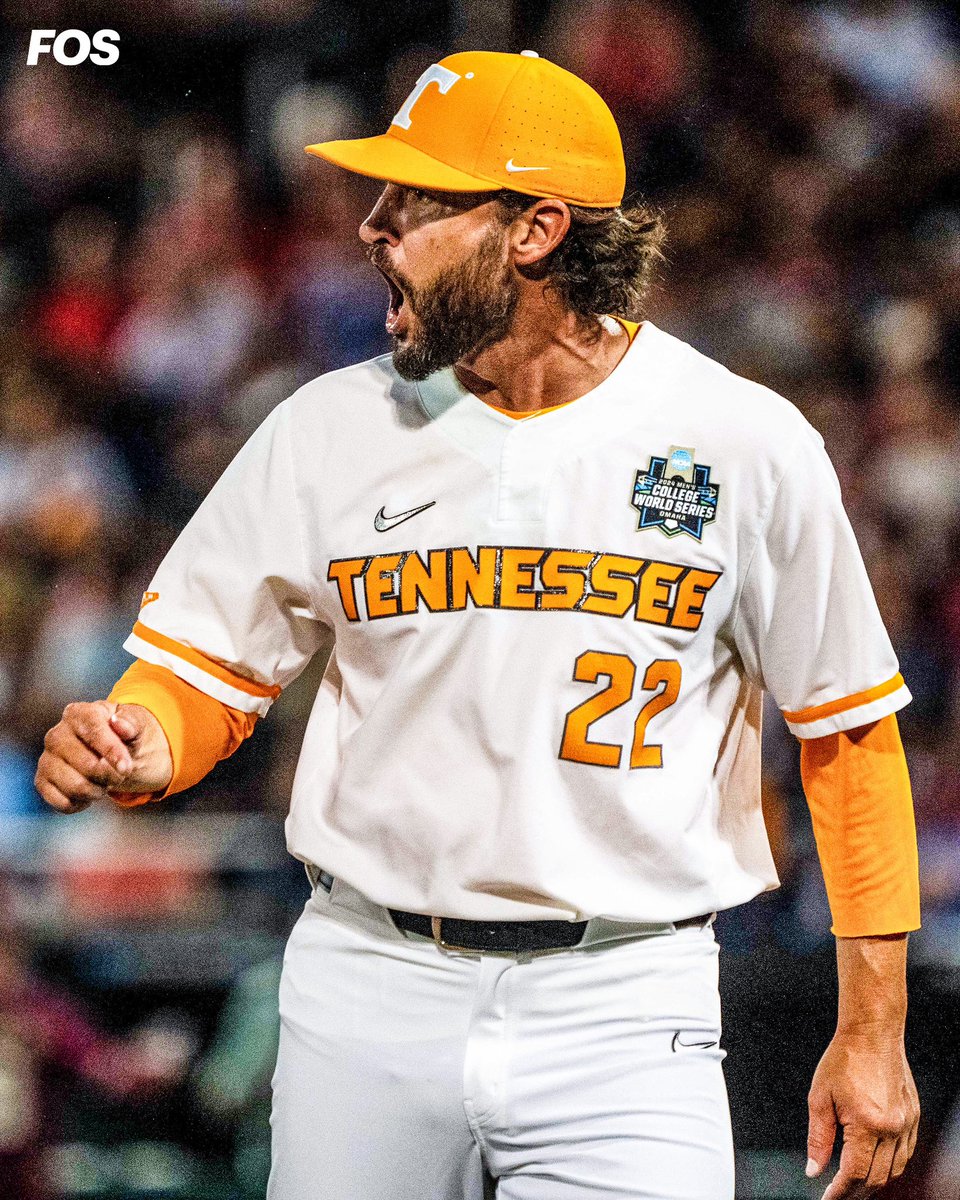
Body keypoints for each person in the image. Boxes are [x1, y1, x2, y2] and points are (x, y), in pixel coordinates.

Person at [35, 50, 921, 1200]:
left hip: (625, 996)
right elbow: (201, 672)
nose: (370, 226)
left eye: (416, 201)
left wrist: (874, 1029)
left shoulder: (740, 441)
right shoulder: (326, 430)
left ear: (536, 232)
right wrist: (143, 739)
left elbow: (849, 733)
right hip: (367, 984)